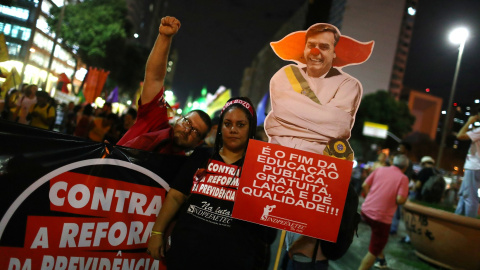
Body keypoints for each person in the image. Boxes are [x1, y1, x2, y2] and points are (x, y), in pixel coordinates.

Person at [264, 22, 374, 269]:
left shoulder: (349, 85)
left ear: (335, 53)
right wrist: (321, 120)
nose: (315, 51)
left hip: (316, 183)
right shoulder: (284, 75)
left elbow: (338, 126)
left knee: (303, 255)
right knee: (266, 249)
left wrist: (289, 122)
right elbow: (282, 111)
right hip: (276, 173)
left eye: (323, 46)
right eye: (311, 45)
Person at [146, 97, 275, 269]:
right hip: (185, 255)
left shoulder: (260, 167)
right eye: (227, 123)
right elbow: (176, 196)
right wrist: (157, 232)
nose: (233, 130)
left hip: (233, 260)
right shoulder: (201, 156)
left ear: (250, 127)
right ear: (220, 127)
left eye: (240, 125)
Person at [116, 16, 211, 155]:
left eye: (195, 132)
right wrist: (164, 37)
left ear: (199, 143)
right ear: (179, 119)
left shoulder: (181, 171)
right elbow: (154, 78)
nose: (187, 131)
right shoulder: (154, 120)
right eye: (187, 122)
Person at [358, 154, 410, 270]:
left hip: (366, 211)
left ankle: (381, 260)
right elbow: (400, 199)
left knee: (378, 240)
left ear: (392, 163)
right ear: (405, 167)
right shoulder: (403, 178)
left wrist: (369, 197)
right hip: (381, 218)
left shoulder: (380, 170)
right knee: (374, 249)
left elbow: (365, 185)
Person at [455, 105, 480, 218]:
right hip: (474, 167)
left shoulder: (479, 131)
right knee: (463, 195)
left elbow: (460, 135)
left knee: (470, 197)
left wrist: (469, 122)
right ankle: (457, 220)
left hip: (474, 167)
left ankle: (468, 225)